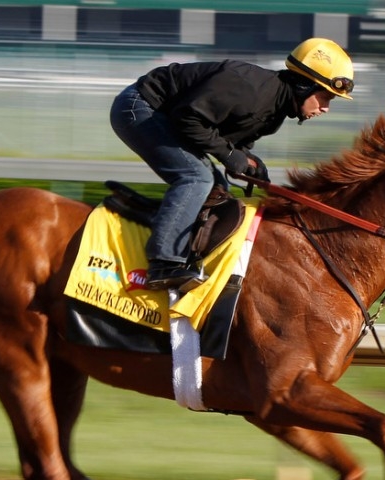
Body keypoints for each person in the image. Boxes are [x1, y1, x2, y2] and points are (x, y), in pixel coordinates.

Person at [109, 37, 355, 291]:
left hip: (169, 116)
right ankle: (164, 264)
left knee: (217, 187)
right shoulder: (247, 86)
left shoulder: (273, 114)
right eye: (325, 97)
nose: (325, 108)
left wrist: (248, 162)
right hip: (140, 107)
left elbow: (228, 141)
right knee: (196, 178)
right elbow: (188, 119)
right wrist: (231, 157)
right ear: (304, 85)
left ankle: (186, 253)